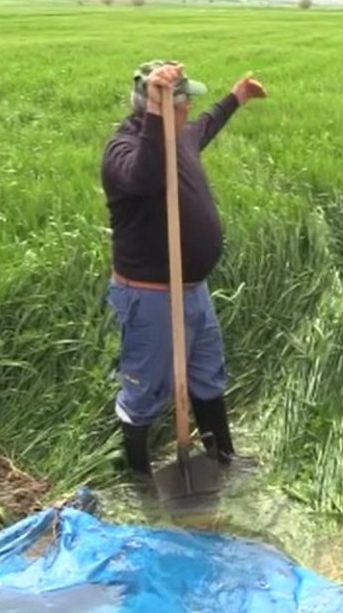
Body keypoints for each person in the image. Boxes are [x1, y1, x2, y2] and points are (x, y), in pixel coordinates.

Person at [100, 59, 267, 479]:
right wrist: (158, 113)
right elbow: (146, 176)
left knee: (208, 375)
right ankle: (140, 482)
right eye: (181, 101)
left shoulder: (180, 136)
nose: (189, 107)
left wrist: (238, 96)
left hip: (193, 290)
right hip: (149, 296)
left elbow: (206, 124)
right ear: (155, 107)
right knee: (143, 390)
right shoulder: (123, 150)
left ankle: (222, 458)